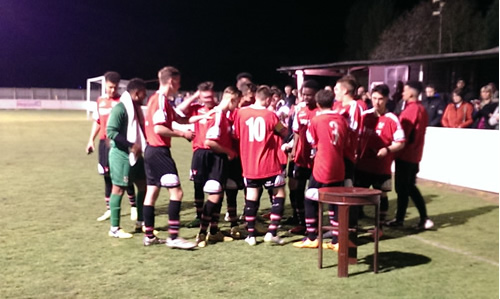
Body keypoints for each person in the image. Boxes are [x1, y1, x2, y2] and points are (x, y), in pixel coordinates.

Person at [142, 66, 196, 249]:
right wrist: (183, 134)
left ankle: (149, 235)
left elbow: (178, 118)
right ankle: (173, 237)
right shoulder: (160, 101)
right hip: (159, 152)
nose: (179, 86)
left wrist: (203, 116)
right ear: (171, 81)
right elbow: (159, 128)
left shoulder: (155, 99)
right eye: (178, 82)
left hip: (150, 150)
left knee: (152, 192)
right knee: (177, 192)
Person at [233, 85, 288, 246]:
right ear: (269, 99)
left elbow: (236, 134)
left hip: (249, 164)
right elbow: (284, 132)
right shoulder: (270, 115)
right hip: (269, 164)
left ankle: (250, 235)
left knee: (251, 197)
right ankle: (272, 232)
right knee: (279, 194)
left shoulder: (241, 113)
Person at [292, 89, 347, 249]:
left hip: (323, 164)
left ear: (318, 104)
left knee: (310, 197)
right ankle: (337, 240)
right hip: (339, 164)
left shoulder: (316, 121)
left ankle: (311, 236)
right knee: (335, 200)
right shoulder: (341, 119)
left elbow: (311, 141)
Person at [86, 71, 137, 222]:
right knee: (106, 175)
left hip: (118, 143)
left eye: (115, 87)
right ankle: (109, 209)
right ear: (105, 85)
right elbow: (97, 121)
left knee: (124, 175)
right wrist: (91, 140)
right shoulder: (100, 101)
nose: (112, 90)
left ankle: (134, 206)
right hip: (104, 143)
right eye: (110, 87)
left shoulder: (123, 102)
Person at [193, 86, 241, 247]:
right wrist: (229, 152)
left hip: (209, 156)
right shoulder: (219, 115)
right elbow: (210, 141)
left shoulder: (218, 113)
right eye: (237, 102)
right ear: (233, 99)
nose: (237, 106)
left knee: (217, 194)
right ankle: (202, 233)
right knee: (214, 196)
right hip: (213, 157)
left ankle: (213, 231)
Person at [386, 81, 434, 230]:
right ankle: (402, 219)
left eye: (405, 91)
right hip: (413, 155)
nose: (402, 93)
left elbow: (404, 135)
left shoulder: (412, 110)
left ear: (411, 93)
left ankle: (421, 218)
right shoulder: (420, 109)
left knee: (406, 187)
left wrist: (394, 151)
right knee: (405, 187)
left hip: (406, 155)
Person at [356, 84, 405, 222]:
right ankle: (357, 219)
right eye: (374, 98)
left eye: (380, 99)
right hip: (363, 164)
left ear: (387, 99)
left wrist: (387, 149)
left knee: (382, 195)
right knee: (358, 193)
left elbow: (401, 142)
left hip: (381, 166)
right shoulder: (364, 116)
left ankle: (381, 224)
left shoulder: (392, 119)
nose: (377, 102)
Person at [106, 78, 148, 238]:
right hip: (121, 155)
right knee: (118, 189)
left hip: (136, 154)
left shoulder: (136, 108)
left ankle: (141, 222)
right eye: (144, 93)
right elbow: (111, 132)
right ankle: (114, 229)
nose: (145, 96)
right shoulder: (120, 109)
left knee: (143, 185)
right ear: (137, 93)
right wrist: (132, 145)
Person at [176, 82, 217, 228]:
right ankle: (199, 216)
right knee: (198, 185)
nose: (209, 100)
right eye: (205, 97)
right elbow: (178, 111)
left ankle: (212, 215)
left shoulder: (219, 109)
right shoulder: (196, 109)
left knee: (216, 186)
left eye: (210, 96)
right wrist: (194, 96)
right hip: (199, 151)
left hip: (216, 152)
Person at [288, 80, 320, 235]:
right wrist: (294, 149)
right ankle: (301, 222)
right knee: (298, 190)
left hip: (317, 160)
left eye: (310, 95)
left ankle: (316, 223)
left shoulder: (322, 110)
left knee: (314, 192)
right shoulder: (300, 110)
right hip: (301, 157)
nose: (306, 97)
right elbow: (296, 131)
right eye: (304, 94)